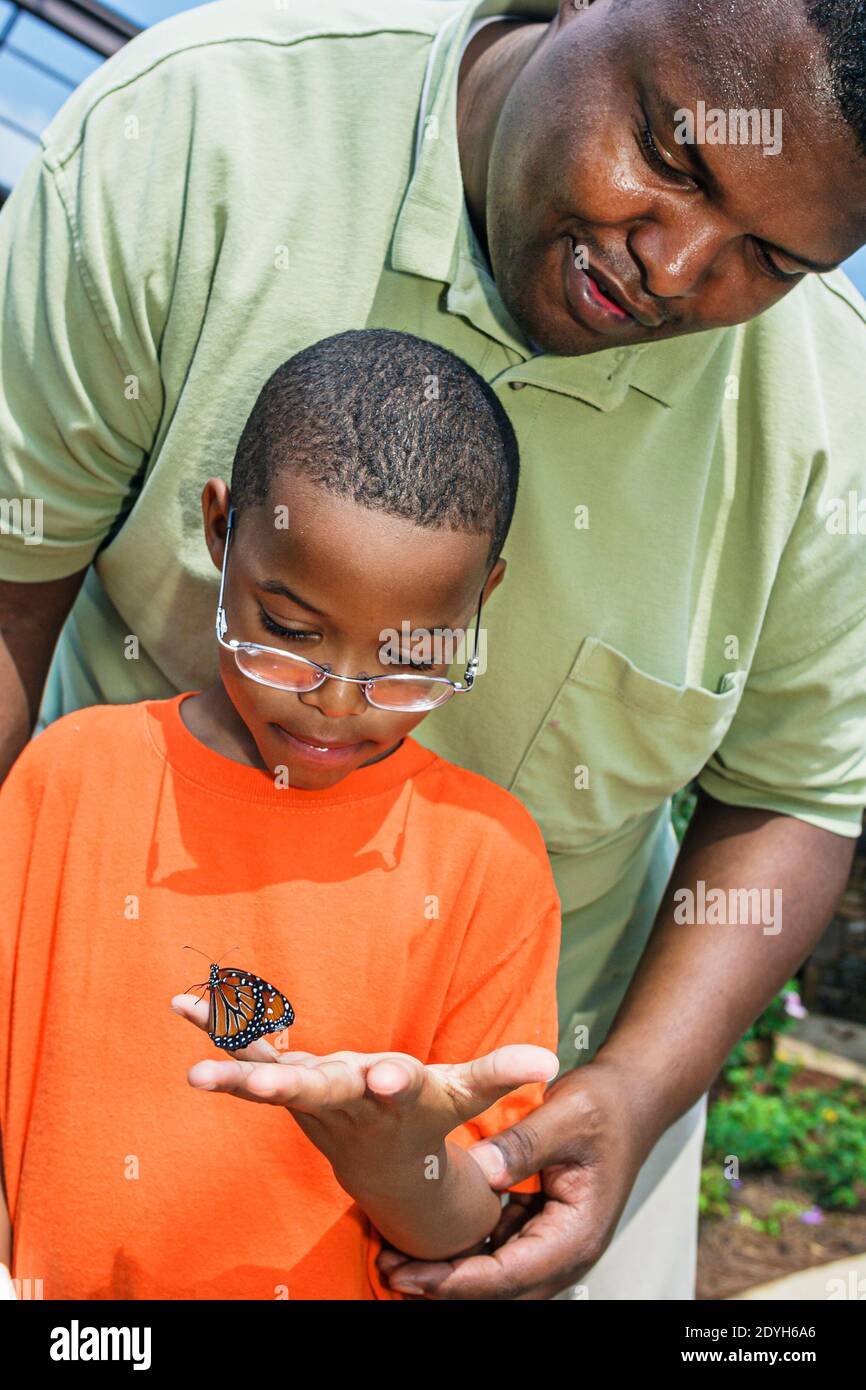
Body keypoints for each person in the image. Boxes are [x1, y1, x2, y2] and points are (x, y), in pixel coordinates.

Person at [1, 0, 865, 1300]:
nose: (678, 265)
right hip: (98, 1042)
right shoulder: (194, 136)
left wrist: (624, 1094)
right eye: (675, 155)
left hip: (542, 1093)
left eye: (771, 258)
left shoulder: (830, 433)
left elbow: (798, 786)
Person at [0, 328, 563, 1300]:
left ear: (481, 602)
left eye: (410, 655)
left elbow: (470, 1225)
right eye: (290, 632)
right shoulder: (69, 778)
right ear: (221, 531)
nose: (337, 700)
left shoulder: (487, 862)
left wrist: (393, 1155)